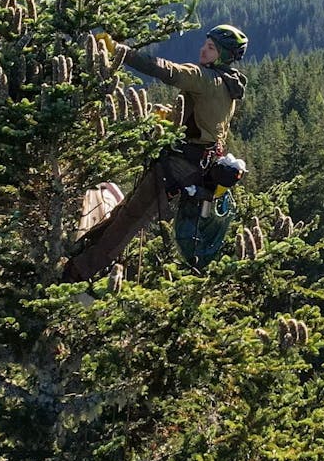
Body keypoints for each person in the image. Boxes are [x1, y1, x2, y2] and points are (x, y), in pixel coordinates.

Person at [64, 24, 248, 281]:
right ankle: (80, 253)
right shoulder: (229, 86)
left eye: (211, 48)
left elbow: (164, 69)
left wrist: (119, 51)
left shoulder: (203, 78)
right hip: (197, 165)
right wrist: (173, 119)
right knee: (125, 213)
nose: (203, 50)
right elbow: (209, 125)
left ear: (224, 55)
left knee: (129, 220)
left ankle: (75, 274)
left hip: (179, 164)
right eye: (205, 45)